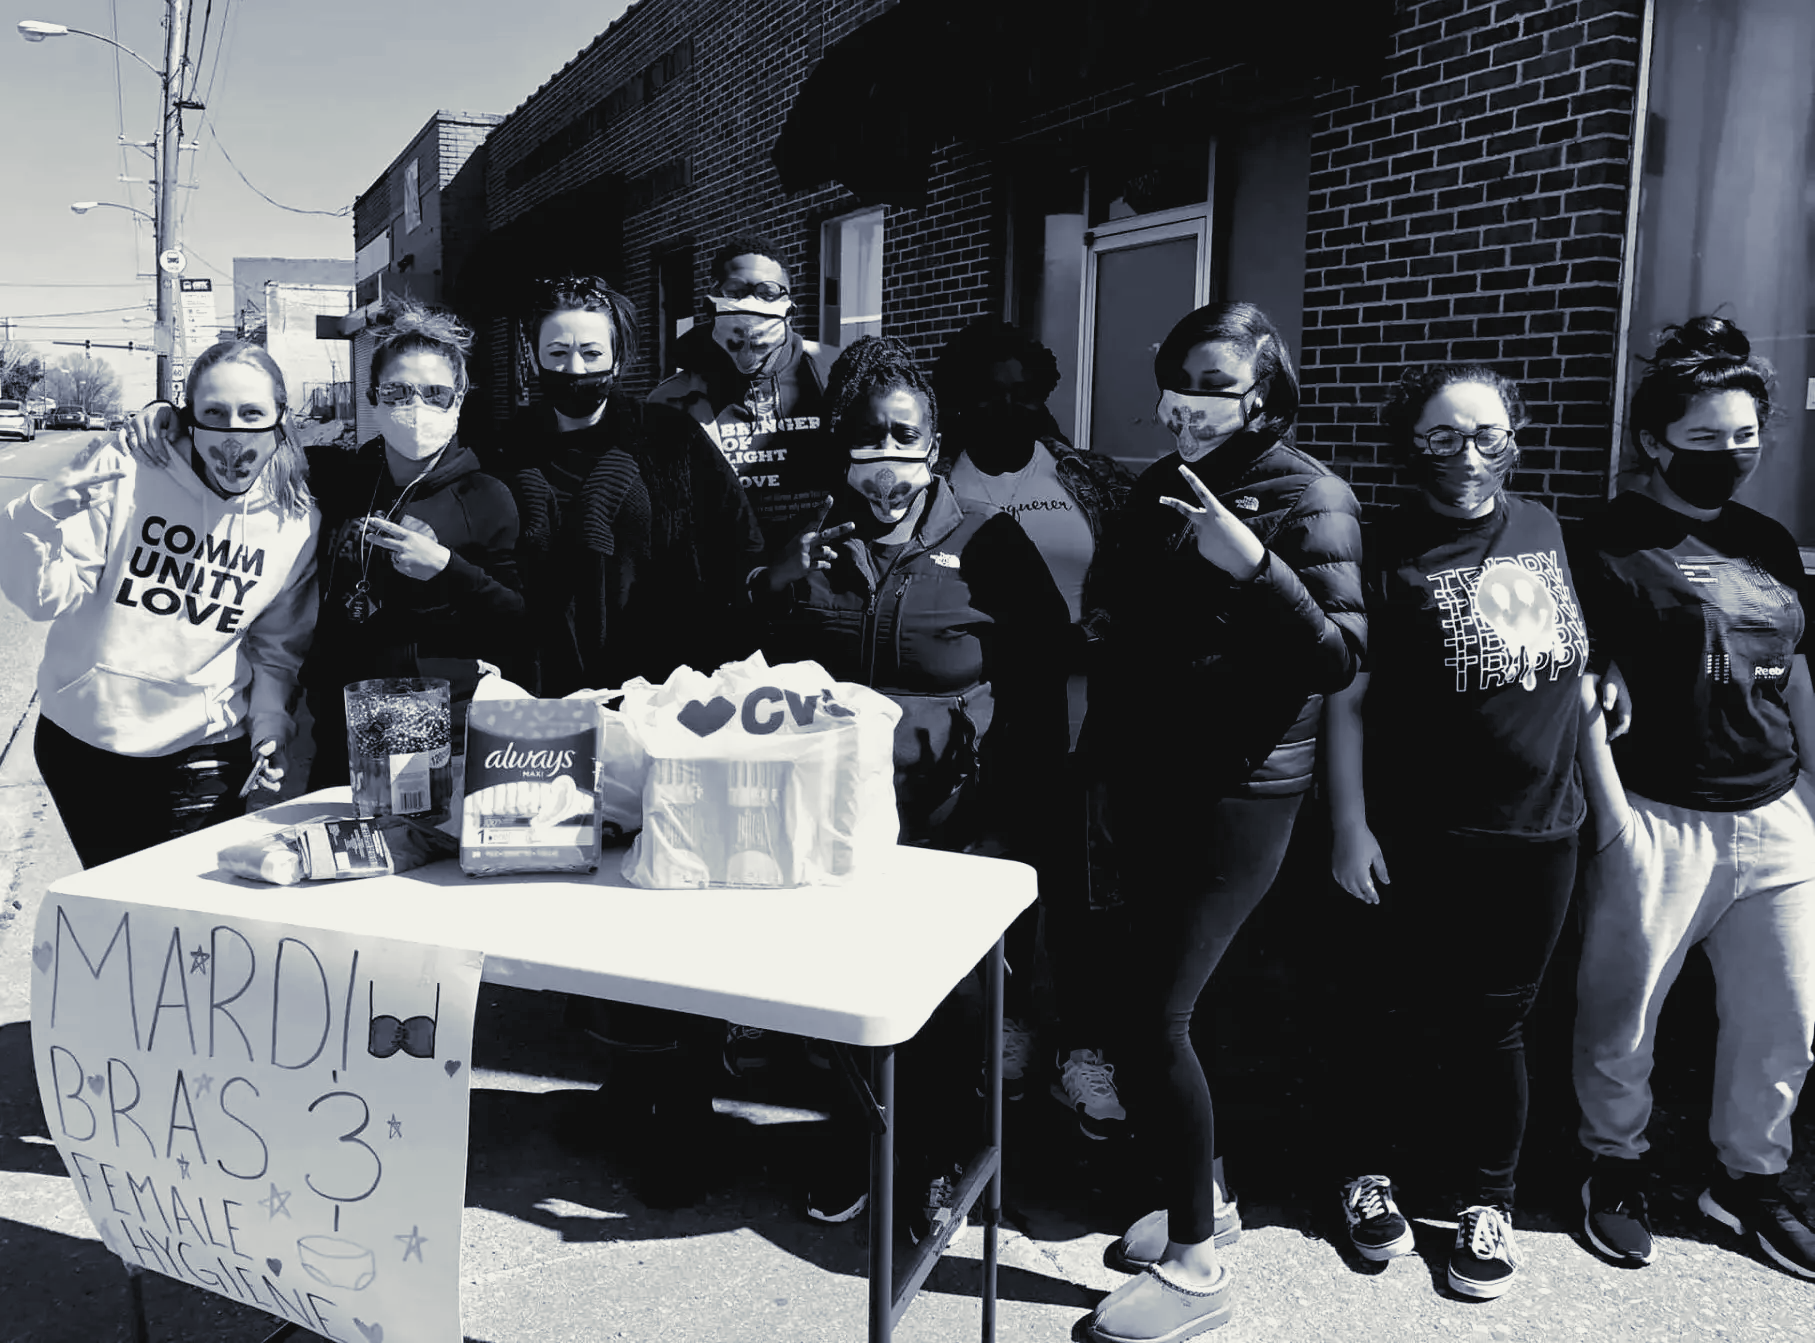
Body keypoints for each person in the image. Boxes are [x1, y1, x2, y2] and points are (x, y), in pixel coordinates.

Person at [1086, 302, 1364, 1341]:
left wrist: (1255, 565)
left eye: (1212, 387)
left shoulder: (1313, 496)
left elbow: (1337, 656)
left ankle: (1198, 1269)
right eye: (1174, 385)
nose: (1188, 408)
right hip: (1156, 775)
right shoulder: (1160, 479)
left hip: (1241, 790)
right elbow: (1133, 609)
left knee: (1154, 1020)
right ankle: (1202, 1201)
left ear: (1262, 390)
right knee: (1153, 1011)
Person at [754, 334, 1071, 1236]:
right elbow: (750, 669)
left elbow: (1040, 686)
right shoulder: (811, 537)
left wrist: (1016, 825)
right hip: (830, 821)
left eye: (902, 435)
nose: (883, 457)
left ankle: (936, 1154)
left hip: (955, 817)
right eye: (865, 436)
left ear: (933, 443)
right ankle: (858, 1137)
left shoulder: (990, 540)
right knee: (843, 990)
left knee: (949, 1001)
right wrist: (774, 584)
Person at [1324, 365, 1591, 1299]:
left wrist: (1607, 804)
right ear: (1411, 442)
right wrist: (1349, 825)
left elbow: (1577, 673)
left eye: (1486, 434)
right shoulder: (1383, 547)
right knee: (1386, 1011)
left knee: (1497, 1025)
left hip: (1538, 835)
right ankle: (1367, 1176)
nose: (1465, 455)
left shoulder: (1546, 528)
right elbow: (1346, 701)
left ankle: (1486, 1201)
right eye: (1441, 436)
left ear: (1515, 436)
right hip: (1418, 833)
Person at [1569, 316, 1815, 1280]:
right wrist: (1615, 822)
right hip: (1658, 817)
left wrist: (1813, 798)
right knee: (1622, 1015)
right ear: (1653, 440)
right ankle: (1611, 1164)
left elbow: (1793, 672)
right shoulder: (1606, 542)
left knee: (1784, 1019)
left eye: (1744, 438)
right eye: (1705, 439)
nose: (1728, 455)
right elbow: (1584, 687)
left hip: (1775, 815)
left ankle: (1747, 1179)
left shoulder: (1768, 541)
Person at [0, 340, 319, 867]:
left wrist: (269, 721)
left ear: (280, 419)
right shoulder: (129, 467)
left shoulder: (296, 518)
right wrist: (33, 516)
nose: (233, 432)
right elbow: (43, 598)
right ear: (187, 415)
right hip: (84, 738)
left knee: (187, 921)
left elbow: (276, 645)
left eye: (252, 414)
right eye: (214, 413)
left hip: (206, 749)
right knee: (114, 914)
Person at [933, 317, 1137, 1136]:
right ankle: (1010, 1023)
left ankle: (1083, 1048)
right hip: (981, 720)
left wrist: (1105, 631)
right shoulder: (937, 481)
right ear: (958, 398)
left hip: (1082, 714)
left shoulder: (1084, 476)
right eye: (988, 391)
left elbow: (1131, 577)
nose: (1006, 405)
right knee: (994, 879)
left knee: (1085, 889)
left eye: (1023, 390)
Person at [501, 273, 766, 696]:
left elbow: (737, 541)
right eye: (557, 352)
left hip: (654, 691)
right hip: (534, 694)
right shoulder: (502, 450)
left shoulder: (671, 438)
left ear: (618, 358)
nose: (574, 368)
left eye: (591, 352)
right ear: (533, 359)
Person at [297, 297, 523, 786]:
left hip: (439, 727)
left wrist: (447, 568)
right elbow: (249, 436)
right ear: (373, 398)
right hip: (341, 721)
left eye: (435, 393)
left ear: (459, 401)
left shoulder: (485, 496)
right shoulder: (343, 478)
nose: (415, 407)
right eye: (397, 392)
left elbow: (518, 619)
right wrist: (169, 416)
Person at [648, 234, 840, 549]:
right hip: (722, 576)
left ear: (790, 308)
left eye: (768, 293)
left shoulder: (831, 373)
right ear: (711, 304)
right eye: (735, 292)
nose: (752, 304)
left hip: (819, 574)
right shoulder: (671, 400)